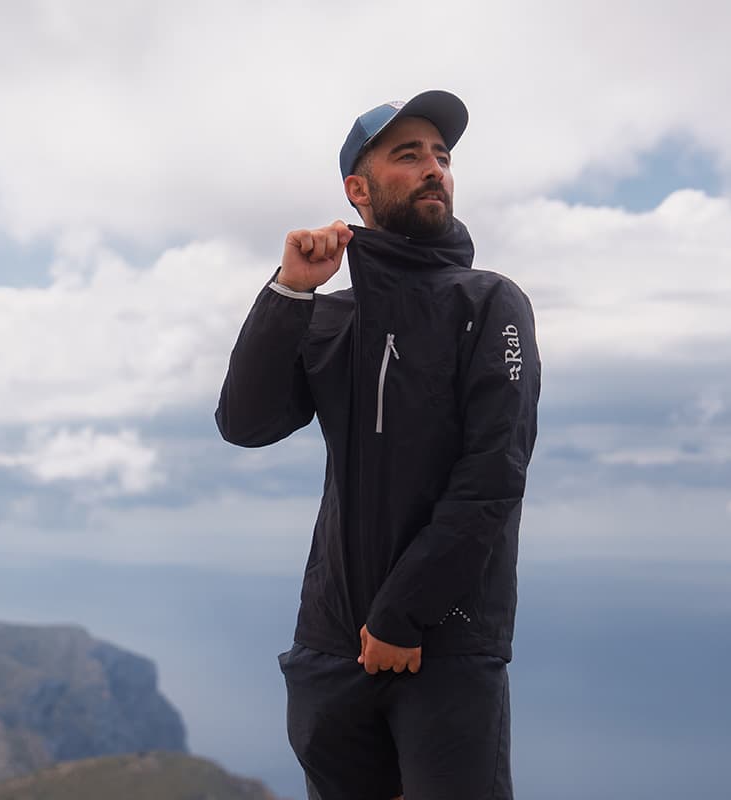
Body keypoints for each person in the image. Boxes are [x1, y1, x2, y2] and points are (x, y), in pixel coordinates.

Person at [215, 89, 539, 800]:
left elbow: (493, 475)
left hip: (443, 645)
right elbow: (246, 422)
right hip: (332, 647)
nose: (434, 169)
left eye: (442, 156)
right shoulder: (331, 318)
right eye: (409, 155)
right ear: (357, 190)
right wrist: (290, 293)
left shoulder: (488, 303)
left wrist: (402, 614)